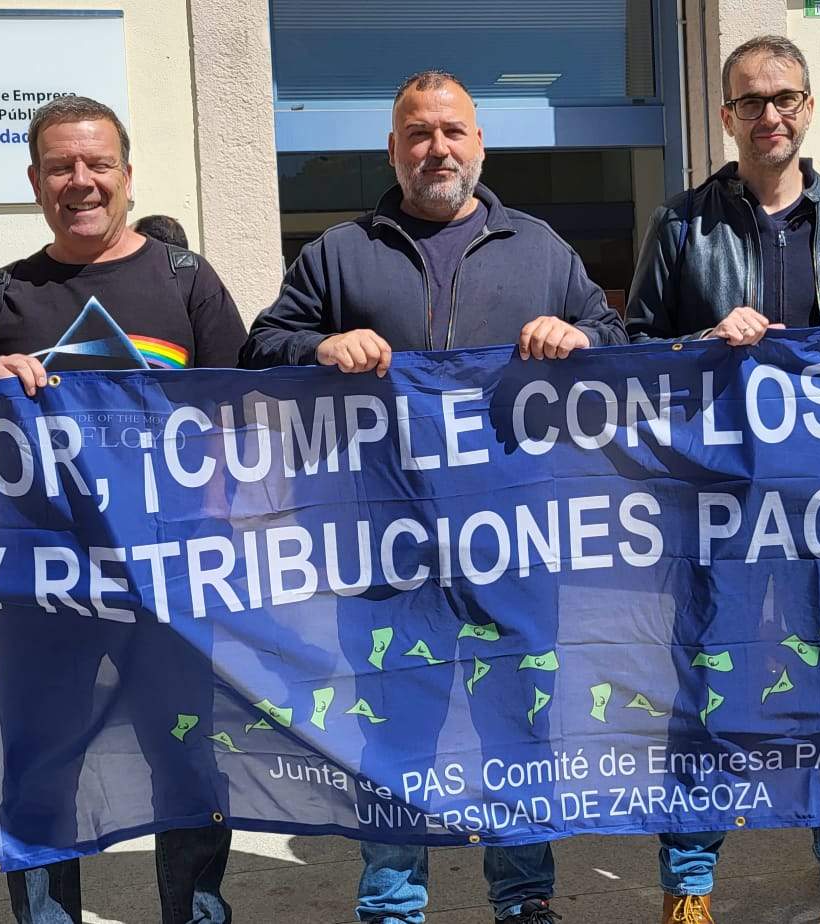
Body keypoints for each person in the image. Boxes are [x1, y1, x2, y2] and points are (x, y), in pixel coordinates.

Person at [242, 69, 624, 924]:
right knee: (394, 730)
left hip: (514, 539)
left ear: (480, 144)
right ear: (393, 149)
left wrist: (578, 335)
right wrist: (321, 345)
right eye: (419, 134)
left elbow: (614, 339)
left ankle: (524, 900)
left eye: (452, 131)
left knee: (514, 725)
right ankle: (392, 902)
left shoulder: (540, 248)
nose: (437, 148)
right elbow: (262, 344)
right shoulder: (340, 251)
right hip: (385, 550)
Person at [0, 96, 244, 924]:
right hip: (43, 583)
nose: (80, 181)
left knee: (187, 761)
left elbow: (241, 417)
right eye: (60, 167)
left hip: (169, 577)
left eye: (97, 164)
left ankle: (198, 914)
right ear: (36, 181)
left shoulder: (187, 281)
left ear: (126, 173)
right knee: (40, 769)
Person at [626, 35, 820, 924]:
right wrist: (699, 348)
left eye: (785, 98)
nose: (769, 115)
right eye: (751, 102)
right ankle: (690, 885)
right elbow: (632, 355)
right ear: (726, 116)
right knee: (702, 692)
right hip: (717, 506)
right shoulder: (680, 224)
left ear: (809, 108)